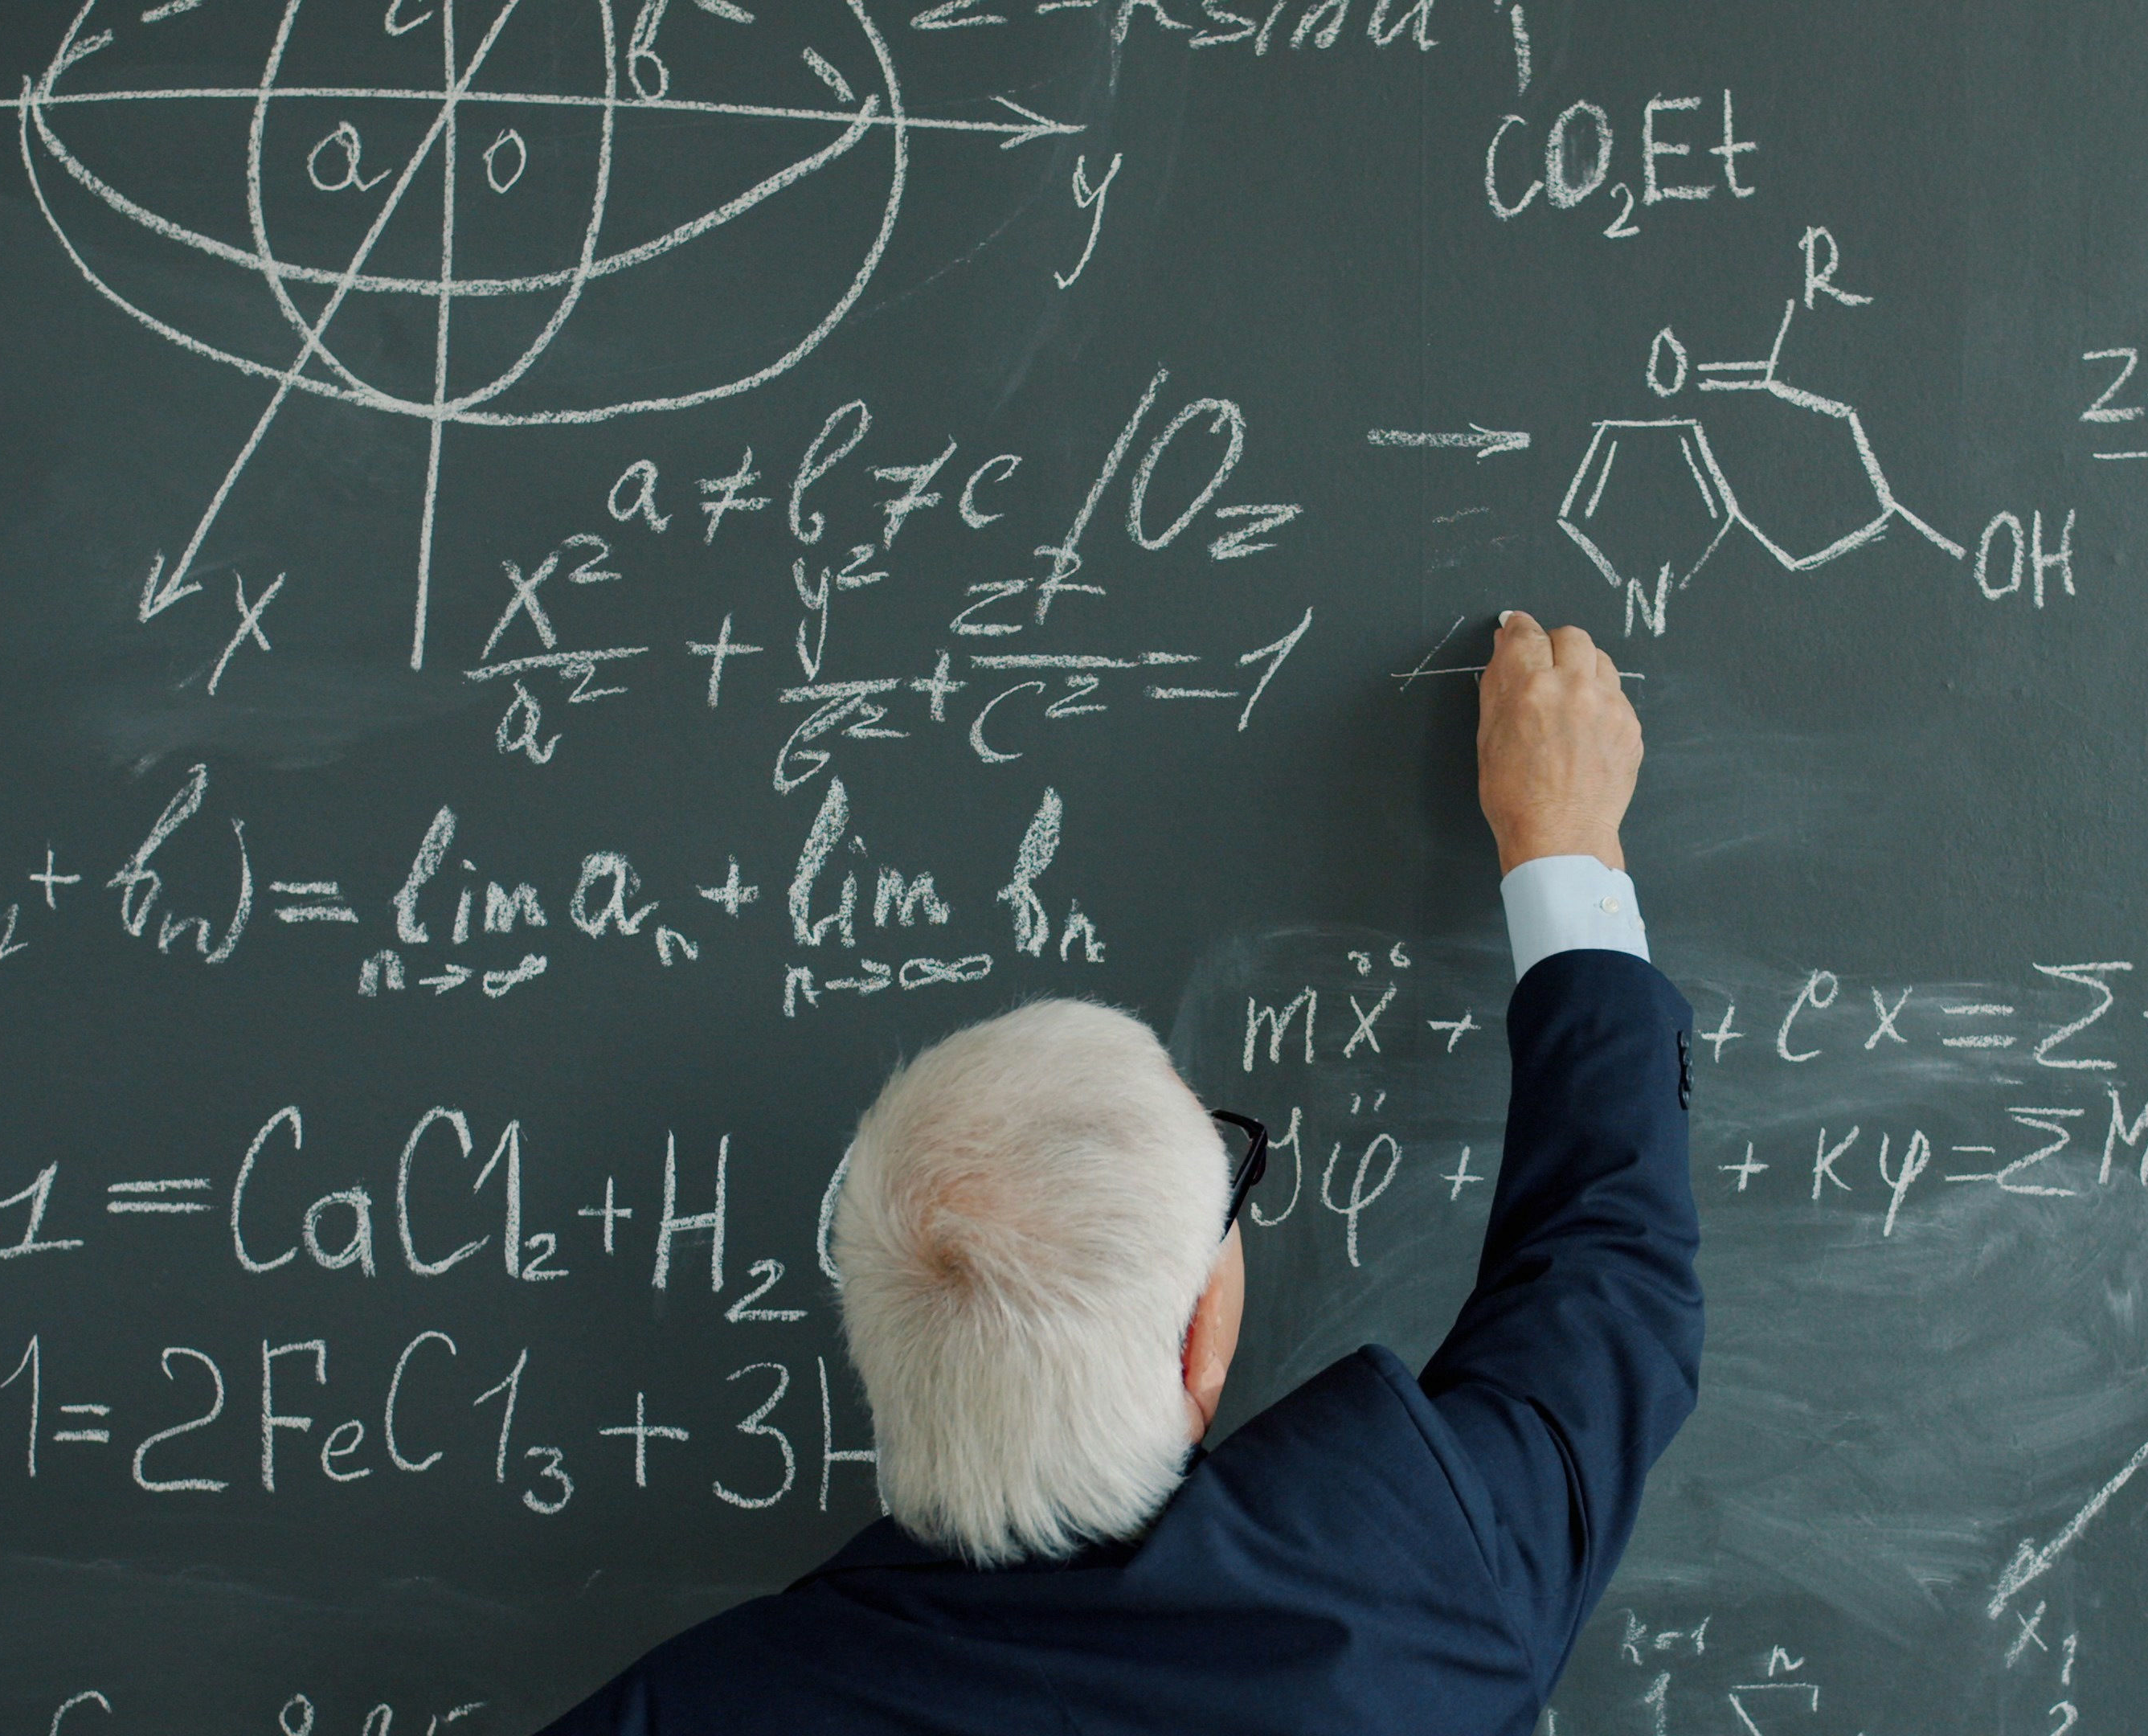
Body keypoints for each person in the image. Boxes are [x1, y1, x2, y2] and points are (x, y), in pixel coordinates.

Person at [538, 612, 1699, 1734]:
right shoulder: (1396, 1609)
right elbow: (1608, 1287)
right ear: (1199, 1331)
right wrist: (1564, 843)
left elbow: (1610, 1300)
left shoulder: (688, 1708)